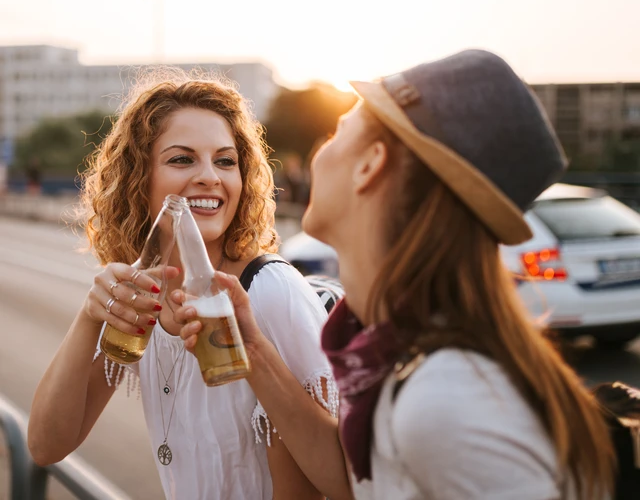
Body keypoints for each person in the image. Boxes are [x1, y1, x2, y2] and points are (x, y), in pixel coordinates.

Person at [176, 50, 615, 500]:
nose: (319, 151)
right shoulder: (395, 350)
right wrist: (252, 349)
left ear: (370, 164)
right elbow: (353, 482)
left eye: (338, 130)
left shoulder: (446, 402)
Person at [28, 68, 337, 500]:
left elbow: (335, 481)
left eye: (225, 161)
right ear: (139, 177)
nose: (210, 176)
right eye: (182, 158)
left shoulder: (268, 291)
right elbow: (46, 445)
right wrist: (88, 316)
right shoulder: (140, 298)